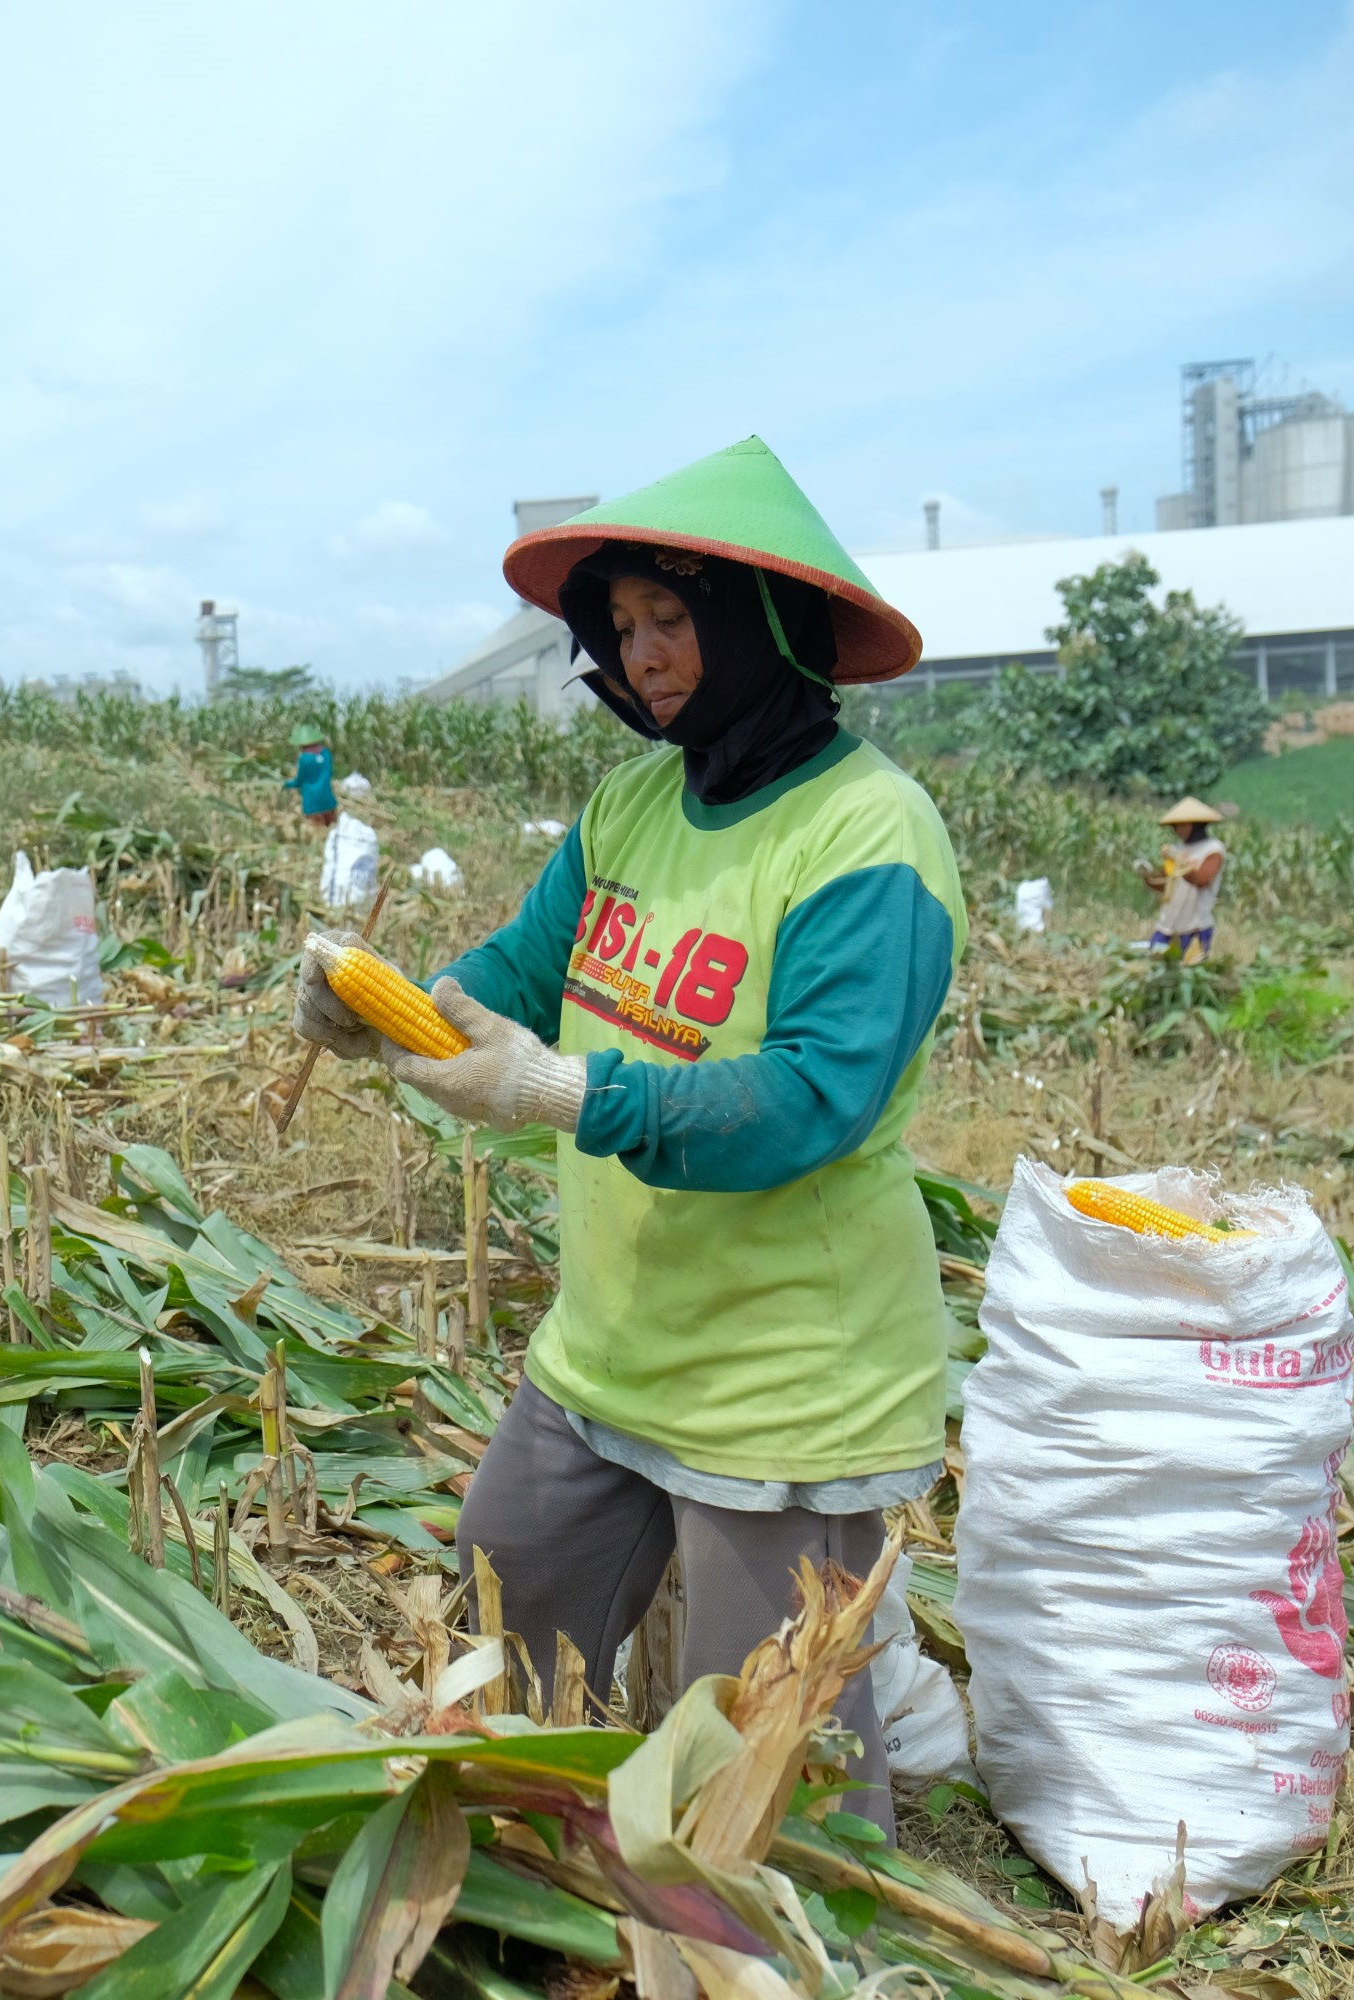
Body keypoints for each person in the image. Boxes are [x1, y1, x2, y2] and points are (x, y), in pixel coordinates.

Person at [292, 437, 961, 1834]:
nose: (643, 655)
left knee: (759, 1761)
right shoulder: (633, 805)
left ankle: (803, 1933)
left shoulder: (866, 835)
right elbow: (525, 972)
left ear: (760, 624)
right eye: (621, 626)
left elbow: (813, 1097)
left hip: (783, 1382)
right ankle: (540, 1879)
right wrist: (402, 1011)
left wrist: (562, 1093)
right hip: (609, 1347)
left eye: (672, 619)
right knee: (506, 1613)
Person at [1139, 797, 1228, 962]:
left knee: (1187, 970)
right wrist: (1147, 875)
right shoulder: (1179, 849)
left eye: (1181, 826)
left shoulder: (1213, 849)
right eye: (1175, 826)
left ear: (1195, 826)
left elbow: (1202, 880)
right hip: (1168, 925)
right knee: (1154, 965)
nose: (1177, 830)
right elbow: (1166, 884)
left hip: (1195, 926)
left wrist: (1182, 865)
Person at [286, 722, 338, 829]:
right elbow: (329, 772)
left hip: (313, 804)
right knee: (333, 830)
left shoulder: (305, 758)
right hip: (328, 801)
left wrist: (287, 784)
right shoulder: (326, 753)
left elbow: (299, 781)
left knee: (318, 832)